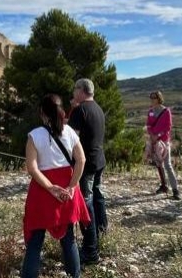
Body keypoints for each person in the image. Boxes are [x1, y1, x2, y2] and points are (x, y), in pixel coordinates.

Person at [21, 94, 90, 278]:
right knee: (69, 239)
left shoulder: (34, 135)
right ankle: (74, 275)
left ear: (42, 113)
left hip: (42, 190)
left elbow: (32, 168)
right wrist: (72, 186)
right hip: (67, 187)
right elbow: (81, 160)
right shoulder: (70, 133)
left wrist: (51, 187)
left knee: (36, 240)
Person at [68, 78, 106, 265]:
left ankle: (91, 251)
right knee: (97, 197)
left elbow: (71, 140)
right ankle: (101, 230)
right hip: (99, 160)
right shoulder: (97, 108)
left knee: (86, 205)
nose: (73, 92)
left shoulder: (80, 110)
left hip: (86, 164)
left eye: (75, 89)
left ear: (81, 90)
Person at [145, 90, 180, 200]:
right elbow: (149, 125)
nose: (152, 100)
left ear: (159, 98)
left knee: (167, 164)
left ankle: (175, 190)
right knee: (158, 164)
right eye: (151, 98)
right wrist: (152, 135)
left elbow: (168, 127)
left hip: (163, 141)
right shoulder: (150, 111)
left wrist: (158, 135)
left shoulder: (166, 111)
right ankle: (164, 185)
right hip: (154, 141)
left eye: (154, 98)